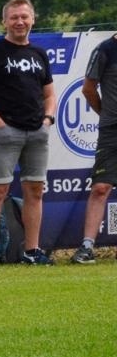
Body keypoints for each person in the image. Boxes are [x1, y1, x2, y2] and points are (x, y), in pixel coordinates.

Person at [0, 0, 56, 266]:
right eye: (14, 17)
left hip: (36, 133)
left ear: (33, 19)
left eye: (24, 17)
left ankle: (32, 251)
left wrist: (48, 120)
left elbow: (50, 94)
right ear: (4, 21)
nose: (20, 22)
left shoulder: (39, 54)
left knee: (35, 191)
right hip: (4, 133)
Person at [72, 33, 117, 264]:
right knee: (101, 187)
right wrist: (106, 114)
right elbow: (88, 89)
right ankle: (87, 247)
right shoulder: (105, 49)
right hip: (111, 130)